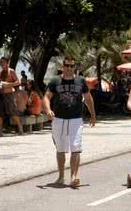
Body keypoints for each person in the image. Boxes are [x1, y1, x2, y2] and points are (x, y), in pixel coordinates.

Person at [43, 56, 96, 187]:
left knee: (76, 147)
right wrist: (48, 110)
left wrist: (93, 115)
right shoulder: (55, 81)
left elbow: (88, 98)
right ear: (63, 66)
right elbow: (46, 97)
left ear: (75, 67)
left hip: (76, 120)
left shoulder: (81, 81)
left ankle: (74, 176)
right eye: (67, 65)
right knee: (60, 149)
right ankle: (61, 176)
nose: (69, 68)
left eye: (72, 66)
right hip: (59, 119)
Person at [0, 57, 23, 136]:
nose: (2, 64)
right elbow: (0, 83)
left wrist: (8, 84)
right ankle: (0, 132)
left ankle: (20, 128)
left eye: (3, 62)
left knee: (13, 113)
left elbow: (18, 82)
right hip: (1, 95)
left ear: (7, 63)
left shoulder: (11, 71)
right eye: (1, 62)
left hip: (9, 95)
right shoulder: (0, 72)